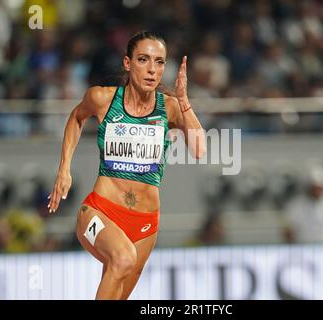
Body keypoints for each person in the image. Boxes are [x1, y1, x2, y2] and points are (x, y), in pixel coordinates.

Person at [47, 31, 206, 300]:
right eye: (143, 60)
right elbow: (76, 117)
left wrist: (184, 99)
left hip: (145, 225)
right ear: (127, 63)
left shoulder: (170, 107)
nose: (152, 69)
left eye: (159, 62)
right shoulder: (103, 99)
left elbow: (200, 150)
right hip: (99, 211)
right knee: (122, 259)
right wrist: (64, 169)